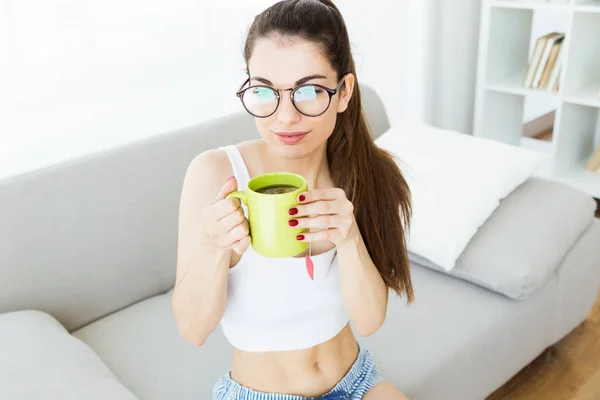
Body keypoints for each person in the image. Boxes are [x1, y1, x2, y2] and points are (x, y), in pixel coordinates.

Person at [172, 1, 413, 398]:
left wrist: (350, 240)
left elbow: (369, 321)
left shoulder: (366, 173)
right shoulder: (216, 173)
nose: (285, 117)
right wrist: (215, 247)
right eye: (264, 90)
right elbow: (193, 330)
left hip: (357, 382)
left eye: (309, 90)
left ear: (343, 92)